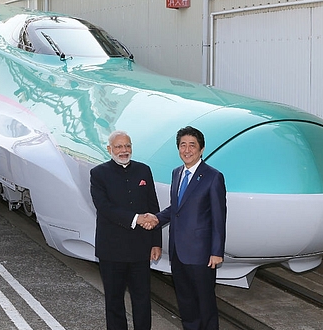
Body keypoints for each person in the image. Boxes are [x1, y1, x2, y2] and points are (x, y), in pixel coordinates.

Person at [142, 126, 227, 330]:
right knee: (186, 303)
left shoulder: (213, 177)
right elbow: (176, 208)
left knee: (205, 304)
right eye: (183, 145)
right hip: (178, 252)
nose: (187, 150)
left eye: (192, 145)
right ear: (178, 148)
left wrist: (216, 251)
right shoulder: (177, 173)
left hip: (202, 254)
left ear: (201, 149)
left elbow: (219, 216)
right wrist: (156, 218)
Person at [90, 130, 162, 330]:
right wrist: (136, 219)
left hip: (140, 249)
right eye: (119, 146)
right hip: (111, 251)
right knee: (114, 302)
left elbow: (153, 207)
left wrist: (156, 242)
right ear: (109, 149)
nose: (124, 150)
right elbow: (104, 208)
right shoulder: (98, 174)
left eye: (127, 146)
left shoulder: (144, 171)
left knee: (143, 300)